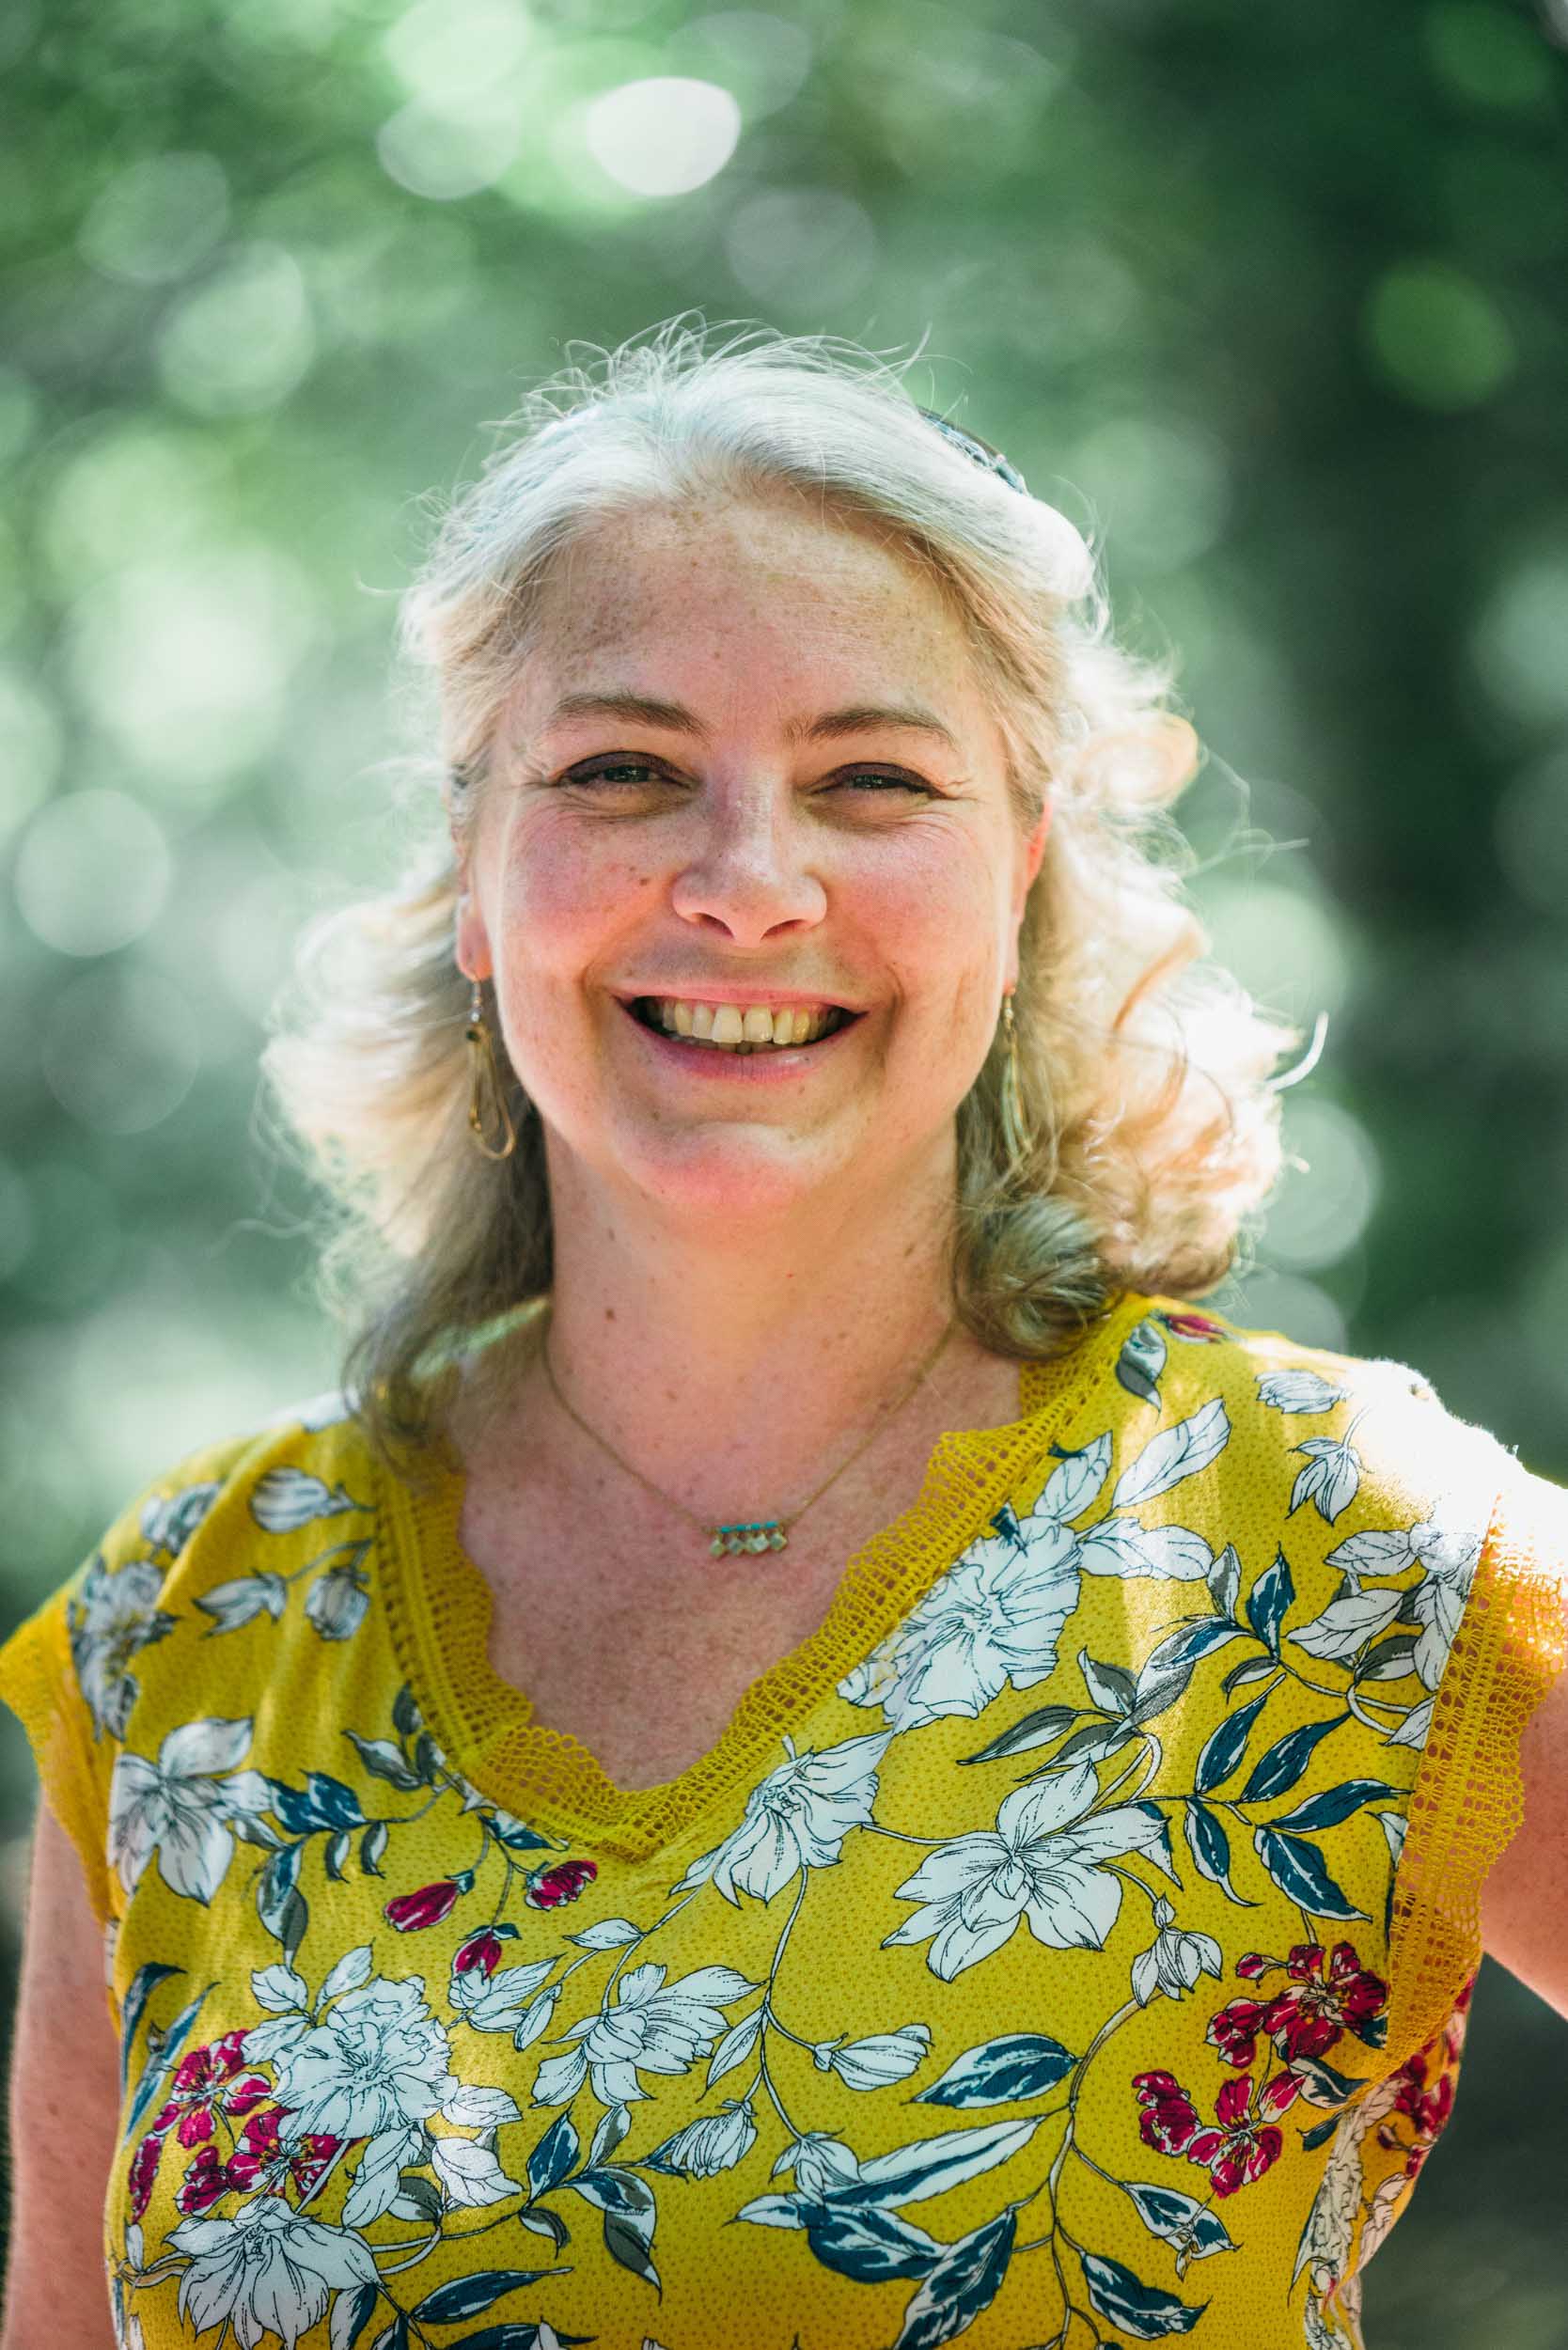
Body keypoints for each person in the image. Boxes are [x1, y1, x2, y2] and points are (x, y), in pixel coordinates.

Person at [1, 319, 1564, 2350]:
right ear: (480, 869)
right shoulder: (190, 1624)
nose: (748, 883)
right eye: (625, 770)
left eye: (873, 779)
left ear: (1015, 880)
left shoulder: (1346, 1559)